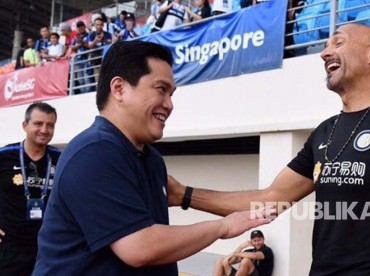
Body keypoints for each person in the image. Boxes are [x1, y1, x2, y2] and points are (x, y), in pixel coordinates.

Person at [168, 23, 370, 275]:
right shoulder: (325, 132)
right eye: (325, 46)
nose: (324, 53)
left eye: (338, 43)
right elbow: (271, 199)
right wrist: (185, 195)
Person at [32, 40, 272, 275]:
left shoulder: (150, 159)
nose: (169, 105)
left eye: (172, 93)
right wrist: (223, 226)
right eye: (161, 90)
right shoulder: (94, 152)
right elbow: (140, 247)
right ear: (119, 89)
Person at [0, 102, 60, 276]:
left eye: (50, 125)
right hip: (10, 247)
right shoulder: (4, 156)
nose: (44, 130)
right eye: (38, 124)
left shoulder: (61, 159)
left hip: (47, 247)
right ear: (25, 125)